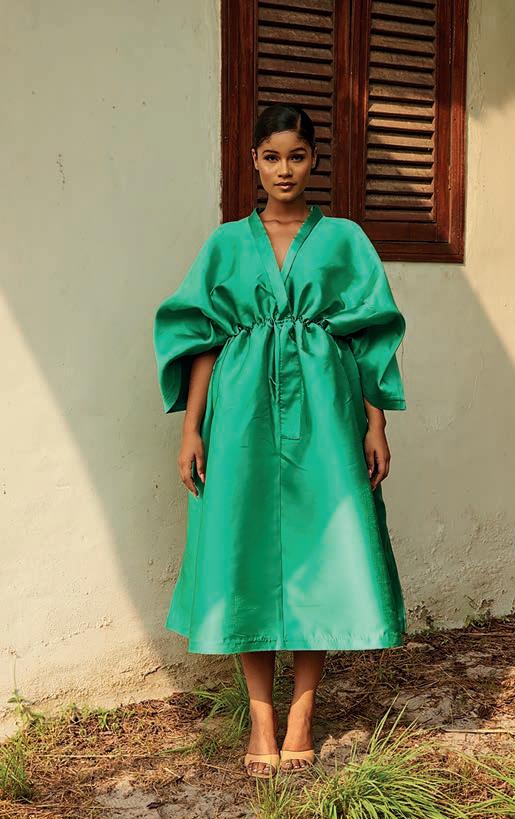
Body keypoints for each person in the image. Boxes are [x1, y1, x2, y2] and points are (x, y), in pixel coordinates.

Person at [153, 103, 408, 779]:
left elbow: (369, 336)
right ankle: (261, 716)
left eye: (297, 156)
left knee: (322, 546)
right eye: (272, 157)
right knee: (245, 552)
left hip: (326, 413)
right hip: (239, 415)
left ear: (314, 160)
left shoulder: (345, 239)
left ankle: (303, 713)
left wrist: (376, 422)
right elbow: (204, 342)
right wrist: (191, 428)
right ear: (254, 163)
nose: (284, 169)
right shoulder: (225, 244)